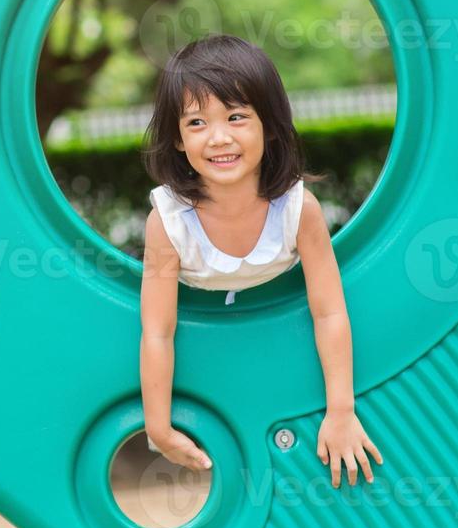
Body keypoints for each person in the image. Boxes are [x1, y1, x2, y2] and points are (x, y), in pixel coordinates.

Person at [138, 34, 382, 488]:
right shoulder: (169, 221)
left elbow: (329, 310)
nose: (219, 138)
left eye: (236, 117)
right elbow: (158, 329)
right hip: (213, 362)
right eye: (196, 123)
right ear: (176, 138)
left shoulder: (296, 209)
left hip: (288, 355)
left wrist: (341, 410)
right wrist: (158, 426)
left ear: (268, 125)